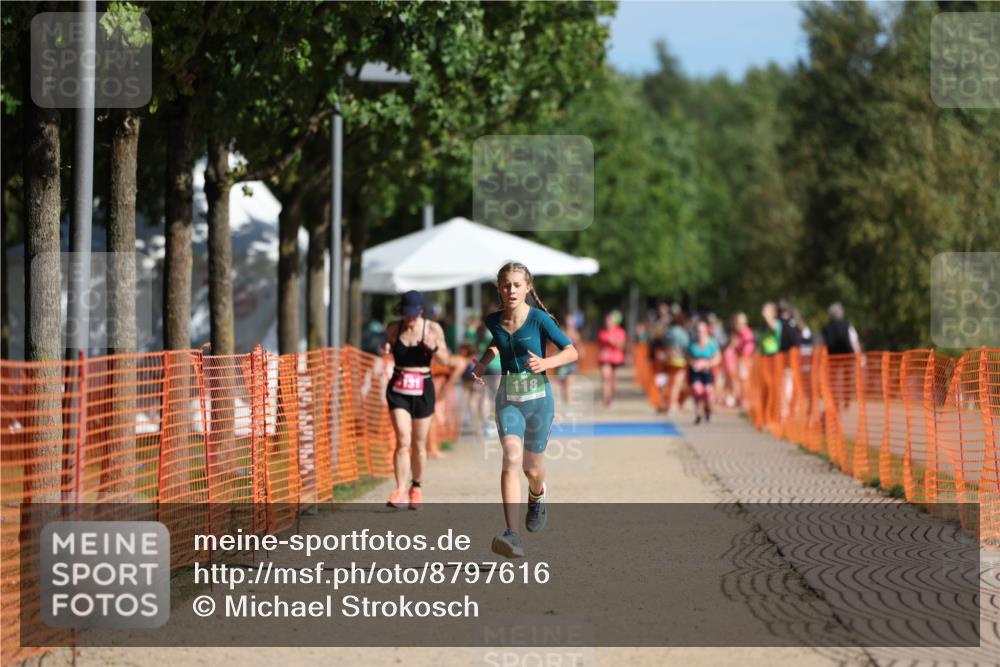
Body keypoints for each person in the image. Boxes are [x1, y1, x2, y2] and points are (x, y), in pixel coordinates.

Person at [470, 262, 578, 559]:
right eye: (506, 285)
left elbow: (571, 351)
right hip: (508, 399)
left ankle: (538, 493)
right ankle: (512, 534)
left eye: (517, 284)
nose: (512, 290)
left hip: (539, 400)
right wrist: (482, 361)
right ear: (499, 289)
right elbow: (498, 343)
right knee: (510, 460)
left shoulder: (540, 320)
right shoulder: (493, 320)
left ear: (528, 287)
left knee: (532, 469)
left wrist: (546, 363)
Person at [381, 290, 451, 510]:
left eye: (412, 314)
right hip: (399, 387)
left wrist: (434, 347)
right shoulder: (394, 328)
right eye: (405, 314)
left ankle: (416, 487)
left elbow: (445, 360)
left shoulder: (432, 328)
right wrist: (386, 349)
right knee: (403, 438)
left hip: (423, 387)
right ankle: (400, 488)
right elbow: (389, 348)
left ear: (421, 310)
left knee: (419, 444)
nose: (409, 319)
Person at [687, 319, 722, 424]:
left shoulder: (712, 344)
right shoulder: (692, 344)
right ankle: (698, 412)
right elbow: (688, 358)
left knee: (707, 391)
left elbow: (718, 358)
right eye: (698, 330)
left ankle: (708, 408)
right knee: (697, 390)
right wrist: (693, 363)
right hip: (695, 372)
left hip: (707, 372)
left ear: (706, 331)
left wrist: (707, 363)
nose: (700, 333)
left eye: (702, 331)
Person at [597, 310, 627, 407]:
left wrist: (613, 342)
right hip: (605, 359)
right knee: (606, 378)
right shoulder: (602, 332)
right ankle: (606, 400)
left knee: (613, 381)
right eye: (606, 321)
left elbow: (622, 346)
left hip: (616, 358)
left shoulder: (620, 332)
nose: (607, 323)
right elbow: (600, 344)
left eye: (609, 321)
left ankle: (612, 398)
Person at [664, 312, 691, 414]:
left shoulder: (669, 331)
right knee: (677, 384)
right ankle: (673, 404)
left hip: (669, 359)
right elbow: (686, 345)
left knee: (670, 383)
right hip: (680, 360)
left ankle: (669, 403)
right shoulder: (682, 332)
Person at [554, 312, 583, 405]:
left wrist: (578, 352)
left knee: (569, 383)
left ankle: (569, 402)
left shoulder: (576, 334)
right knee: (561, 383)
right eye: (568, 320)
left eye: (571, 321)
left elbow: (580, 349)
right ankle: (564, 400)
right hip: (562, 362)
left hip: (572, 363)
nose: (569, 323)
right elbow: (555, 346)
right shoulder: (561, 332)